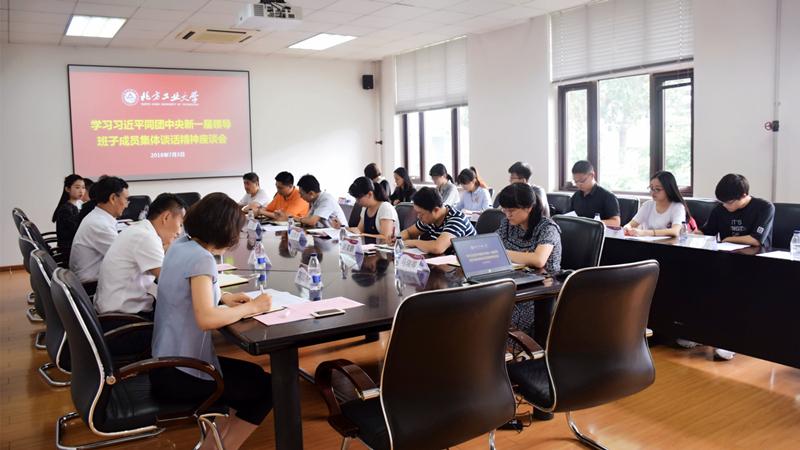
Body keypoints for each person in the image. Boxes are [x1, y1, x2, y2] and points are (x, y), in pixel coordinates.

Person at [150, 193, 273, 450]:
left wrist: (223, 297)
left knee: (254, 376)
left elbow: (185, 292)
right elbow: (206, 318)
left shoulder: (180, 245)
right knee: (268, 389)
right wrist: (253, 306)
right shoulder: (201, 258)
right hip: (183, 372)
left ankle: (214, 444)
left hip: (164, 362)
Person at [495, 183, 562, 365]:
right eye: (504, 210)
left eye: (511, 210)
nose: (507, 215)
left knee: (499, 317)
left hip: (539, 292)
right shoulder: (508, 224)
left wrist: (504, 253)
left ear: (529, 208)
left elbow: (538, 260)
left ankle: (511, 361)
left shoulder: (547, 227)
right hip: (512, 282)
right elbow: (493, 245)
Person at [94, 194, 186, 317]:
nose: (179, 232)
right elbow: (172, 281)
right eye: (180, 224)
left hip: (113, 306)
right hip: (123, 316)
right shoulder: (146, 237)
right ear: (166, 217)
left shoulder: (141, 229)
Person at [69, 176, 129, 284]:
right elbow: (127, 257)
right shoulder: (99, 225)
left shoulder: (98, 217)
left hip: (92, 280)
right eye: (126, 199)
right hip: (91, 285)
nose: (126, 205)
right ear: (113, 198)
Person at [699, 173, 775, 247]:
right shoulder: (720, 208)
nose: (724, 205)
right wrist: (695, 234)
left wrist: (728, 239)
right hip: (726, 253)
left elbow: (756, 240)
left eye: (729, 202)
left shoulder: (765, 207)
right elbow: (707, 231)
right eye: (722, 202)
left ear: (743, 195)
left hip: (757, 253)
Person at [399, 187, 476, 255]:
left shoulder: (456, 219)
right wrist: (397, 239)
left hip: (466, 263)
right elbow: (409, 232)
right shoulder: (430, 218)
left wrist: (412, 242)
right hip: (445, 261)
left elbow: (438, 247)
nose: (418, 217)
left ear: (436, 210)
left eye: (421, 213)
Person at [624, 171, 693, 237]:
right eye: (651, 188)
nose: (653, 192)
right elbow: (631, 224)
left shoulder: (677, 207)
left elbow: (675, 231)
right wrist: (626, 228)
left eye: (657, 189)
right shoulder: (648, 205)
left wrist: (645, 232)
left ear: (668, 189)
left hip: (668, 244)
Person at [347, 177, 400, 241]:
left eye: (358, 198)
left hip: (386, 246)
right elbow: (359, 231)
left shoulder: (385, 208)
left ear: (370, 194)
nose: (357, 201)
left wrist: (362, 234)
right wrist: (346, 229)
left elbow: (386, 238)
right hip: (370, 246)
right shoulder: (365, 209)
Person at [569, 160, 620, 226]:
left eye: (582, 181)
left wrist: (591, 223)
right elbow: (569, 217)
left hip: (599, 232)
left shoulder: (607, 196)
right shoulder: (576, 196)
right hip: (578, 231)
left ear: (592, 175)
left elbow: (616, 222)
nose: (579, 185)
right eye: (576, 182)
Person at [52, 174, 85, 249]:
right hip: (69, 249)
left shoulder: (73, 206)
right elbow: (77, 231)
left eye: (83, 187)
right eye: (77, 187)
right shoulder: (66, 209)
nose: (81, 191)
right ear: (67, 189)